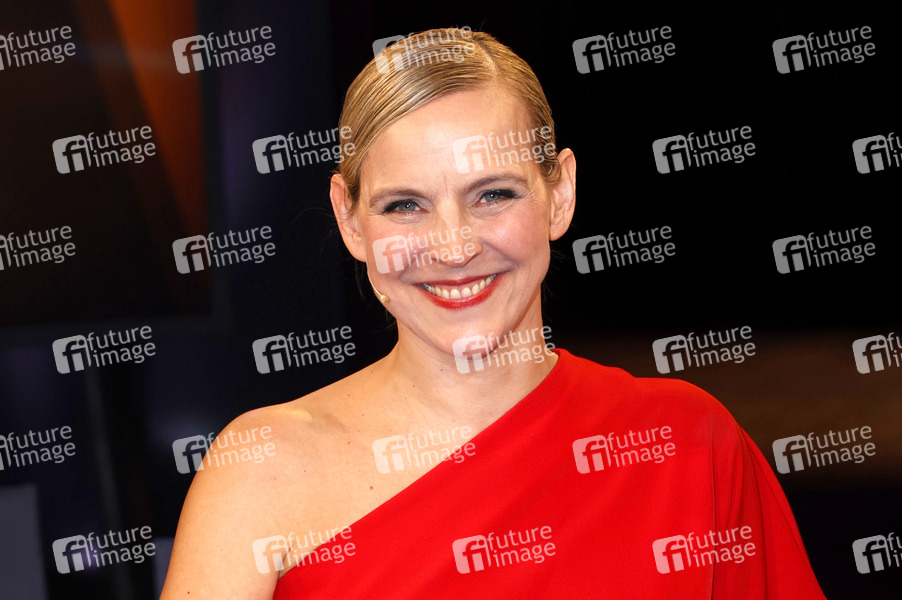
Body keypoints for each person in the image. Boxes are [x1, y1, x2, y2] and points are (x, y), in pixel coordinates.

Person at [161, 28, 826, 599]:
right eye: (405, 205)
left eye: (493, 195)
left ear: (560, 194)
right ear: (349, 219)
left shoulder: (687, 444)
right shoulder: (259, 471)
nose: (453, 248)